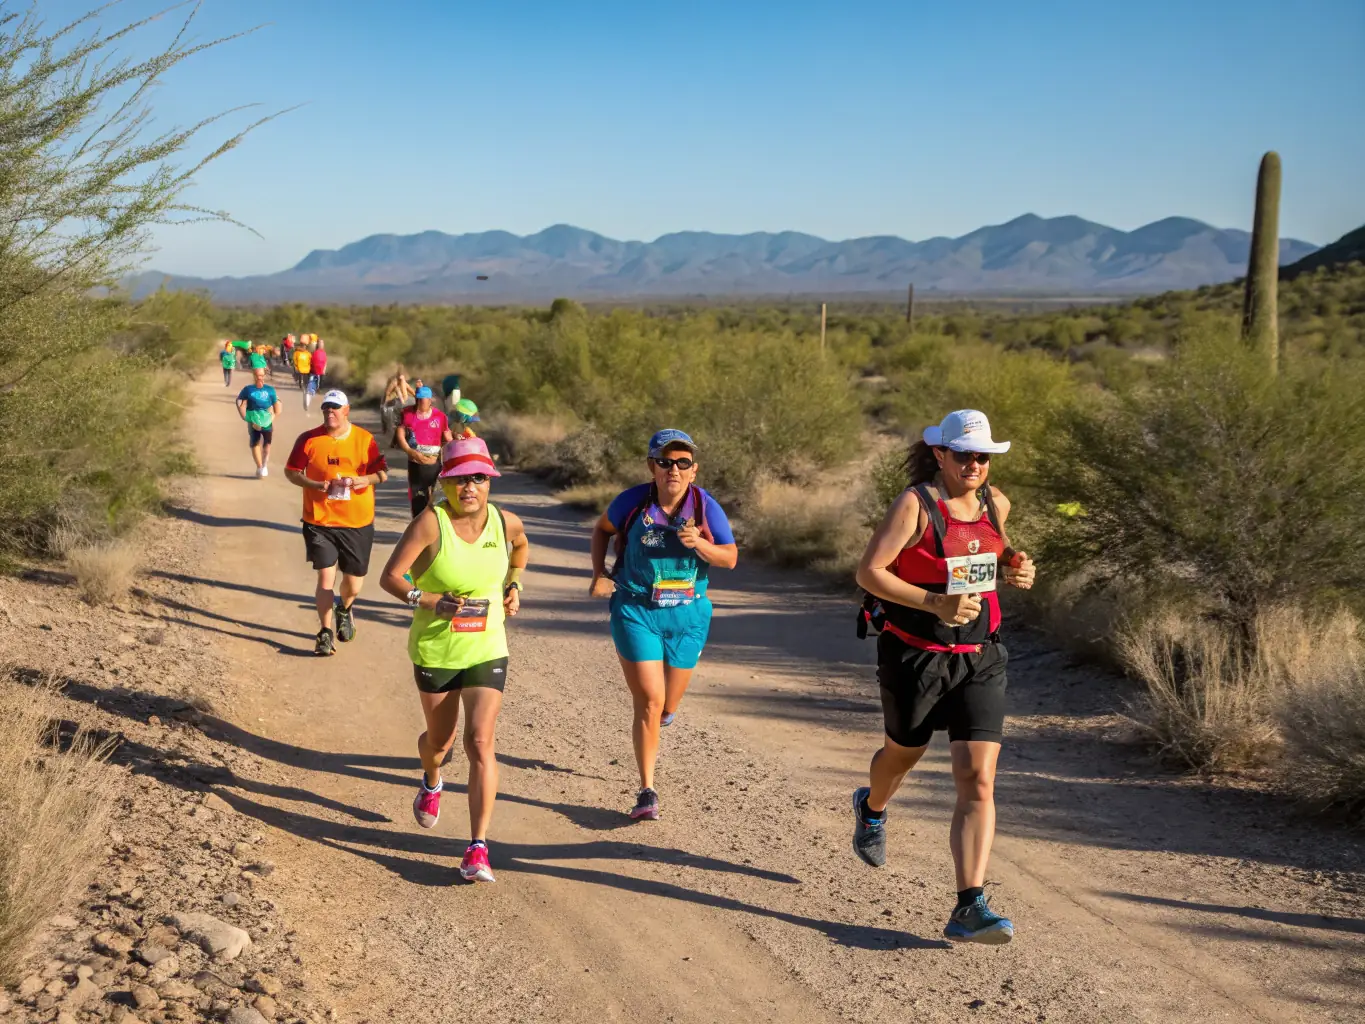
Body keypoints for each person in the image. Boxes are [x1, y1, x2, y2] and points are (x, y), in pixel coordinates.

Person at [850, 409, 1036, 946]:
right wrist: (935, 602)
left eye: (983, 456)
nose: (974, 464)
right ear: (940, 454)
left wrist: (1018, 567)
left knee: (977, 778)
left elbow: (990, 555)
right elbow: (870, 572)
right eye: (964, 455)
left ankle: (969, 905)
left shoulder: (995, 503)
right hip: (915, 655)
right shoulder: (915, 505)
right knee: (900, 757)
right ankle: (872, 806)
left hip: (981, 656)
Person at [379, 436, 530, 883]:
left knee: (480, 741)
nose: (470, 487)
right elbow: (390, 576)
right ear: (445, 481)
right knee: (440, 745)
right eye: (461, 478)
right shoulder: (431, 524)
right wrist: (426, 600)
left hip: (487, 646)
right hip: (437, 647)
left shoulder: (504, 522)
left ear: (490, 483)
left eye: (479, 478)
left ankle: (478, 847)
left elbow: (520, 547)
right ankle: (430, 778)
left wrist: (514, 585)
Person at [589, 430, 737, 820]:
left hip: (688, 615)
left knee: (668, 704)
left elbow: (730, 558)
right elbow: (602, 530)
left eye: (682, 462)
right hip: (636, 608)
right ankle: (647, 791)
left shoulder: (705, 507)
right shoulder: (632, 502)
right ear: (651, 466)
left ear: (693, 470)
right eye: (666, 461)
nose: (674, 469)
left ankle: (664, 716)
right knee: (650, 702)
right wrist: (599, 573)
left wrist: (699, 544)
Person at [284, 390, 389, 656]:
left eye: (335, 408)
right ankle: (324, 632)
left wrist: (365, 480)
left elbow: (382, 474)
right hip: (319, 519)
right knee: (325, 577)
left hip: (357, 521)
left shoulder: (364, 439)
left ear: (346, 410)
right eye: (326, 408)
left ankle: (345, 608)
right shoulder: (309, 439)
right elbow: (292, 472)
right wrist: (314, 484)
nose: (330, 412)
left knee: (353, 584)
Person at [397, 386, 453, 517]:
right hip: (415, 463)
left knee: (438, 498)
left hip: (434, 464)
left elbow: (447, 436)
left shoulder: (440, 417)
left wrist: (457, 441)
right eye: (418, 399)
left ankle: (437, 523)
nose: (420, 402)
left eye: (423, 399)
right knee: (418, 497)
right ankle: (418, 524)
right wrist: (410, 451)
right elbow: (400, 434)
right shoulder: (407, 414)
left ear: (430, 400)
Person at [235, 367, 282, 478]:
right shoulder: (248, 389)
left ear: (264, 376)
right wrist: (244, 415)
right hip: (253, 420)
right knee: (255, 443)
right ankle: (260, 466)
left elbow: (277, 407)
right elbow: (239, 401)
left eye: (261, 375)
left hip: (267, 420)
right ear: (254, 376)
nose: (259, 377)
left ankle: (265, 464)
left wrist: (272, 417)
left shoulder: (270, 390)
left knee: (267, 444)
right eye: (257, 375)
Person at [381, 368, 416, 440]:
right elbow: (387, 393)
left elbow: (413, 392)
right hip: (396, 402)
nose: (401, 379)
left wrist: (419, 398)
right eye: (400, 377)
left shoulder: (404, 384)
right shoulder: (394, 383)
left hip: (404, 403)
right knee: (396, 421)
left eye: (403, 377)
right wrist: (385, 403)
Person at [303, 339, 328, 411]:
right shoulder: (315, 352)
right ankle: (308, 398)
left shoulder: (321, 353)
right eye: (320, 343)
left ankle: (309, 394)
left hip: (318, 372)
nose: (321, 344)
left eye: (322, 343)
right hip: (314, 372)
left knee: (314, 386)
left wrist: (324, 370)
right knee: (311, 387)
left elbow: (325, 362)